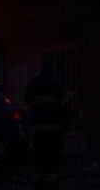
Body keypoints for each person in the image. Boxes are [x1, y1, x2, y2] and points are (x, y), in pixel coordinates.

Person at [25, 56, 68, 190]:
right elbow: (64, 105)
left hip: (38, 129)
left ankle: (38, 183)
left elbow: (27, 97)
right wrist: (63, 123)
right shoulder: (57, 83)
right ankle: (52, 183)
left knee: (39, 157)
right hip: (53, 129)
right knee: (52, 158)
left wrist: (37, 110)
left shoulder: (35, 82)